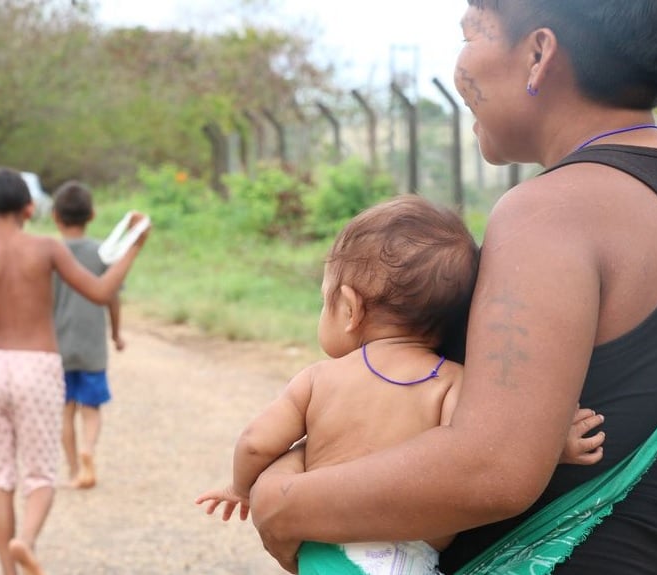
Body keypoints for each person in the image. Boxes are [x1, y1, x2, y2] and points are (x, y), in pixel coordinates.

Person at [248, 2, 657, 575]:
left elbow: (491, 470)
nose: (461, 63)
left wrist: (281, 502)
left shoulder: (549, 211)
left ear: (538, 54)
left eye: (471, 34)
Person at [194, 196, 607, 575]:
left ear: (351, 309)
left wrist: (241, 487)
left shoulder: (319, 379)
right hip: (409, 559)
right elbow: (491, 451)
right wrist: (553, 448)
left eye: (326, 301)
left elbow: (255, 443)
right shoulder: (451, 384)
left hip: (327, 549)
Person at [0, 168, 148, 575]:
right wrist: (133, 248)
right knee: (40, 475)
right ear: (30, 209)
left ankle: (7, 570)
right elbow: (101, 292)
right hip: (40, 367)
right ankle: (24, 541)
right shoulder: (48, 248)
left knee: (0, 478)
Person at [48, 181, 126, 490]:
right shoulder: (101, 254)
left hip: (57, 346)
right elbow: (112, 298)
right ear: (91, 215)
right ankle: (88, 450)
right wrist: (116, 334)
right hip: (92, 346)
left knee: (65, 409)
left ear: (55, 216)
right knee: (91, 408)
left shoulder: (49, 254)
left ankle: (71, 468)